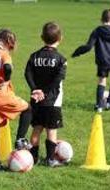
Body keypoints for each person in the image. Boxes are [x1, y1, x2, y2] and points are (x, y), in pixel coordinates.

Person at [0, 29, 32, 170]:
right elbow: (8, 67)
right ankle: (20, 140)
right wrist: (7, 80)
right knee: (28, 109)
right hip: (1, 95)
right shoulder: (3, 54)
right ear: (6, 42)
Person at [25, 22, 67, 167]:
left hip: (36, 99)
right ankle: (50, 159)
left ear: (42, 37)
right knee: (51, 130)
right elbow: (57, 80)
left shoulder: (34, 56)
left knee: (36, 128)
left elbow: (27, 74)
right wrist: (45, 92)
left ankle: (33, 158)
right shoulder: (61, 59)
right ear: (60, 38)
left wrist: (35, 89)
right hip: (52, 101)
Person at [72, 9, 110, 112]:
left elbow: (89, 46)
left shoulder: (97, 31)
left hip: (102, 61)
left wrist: (77, 52)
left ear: (101, 19)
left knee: (102, 81)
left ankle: (99, 106)